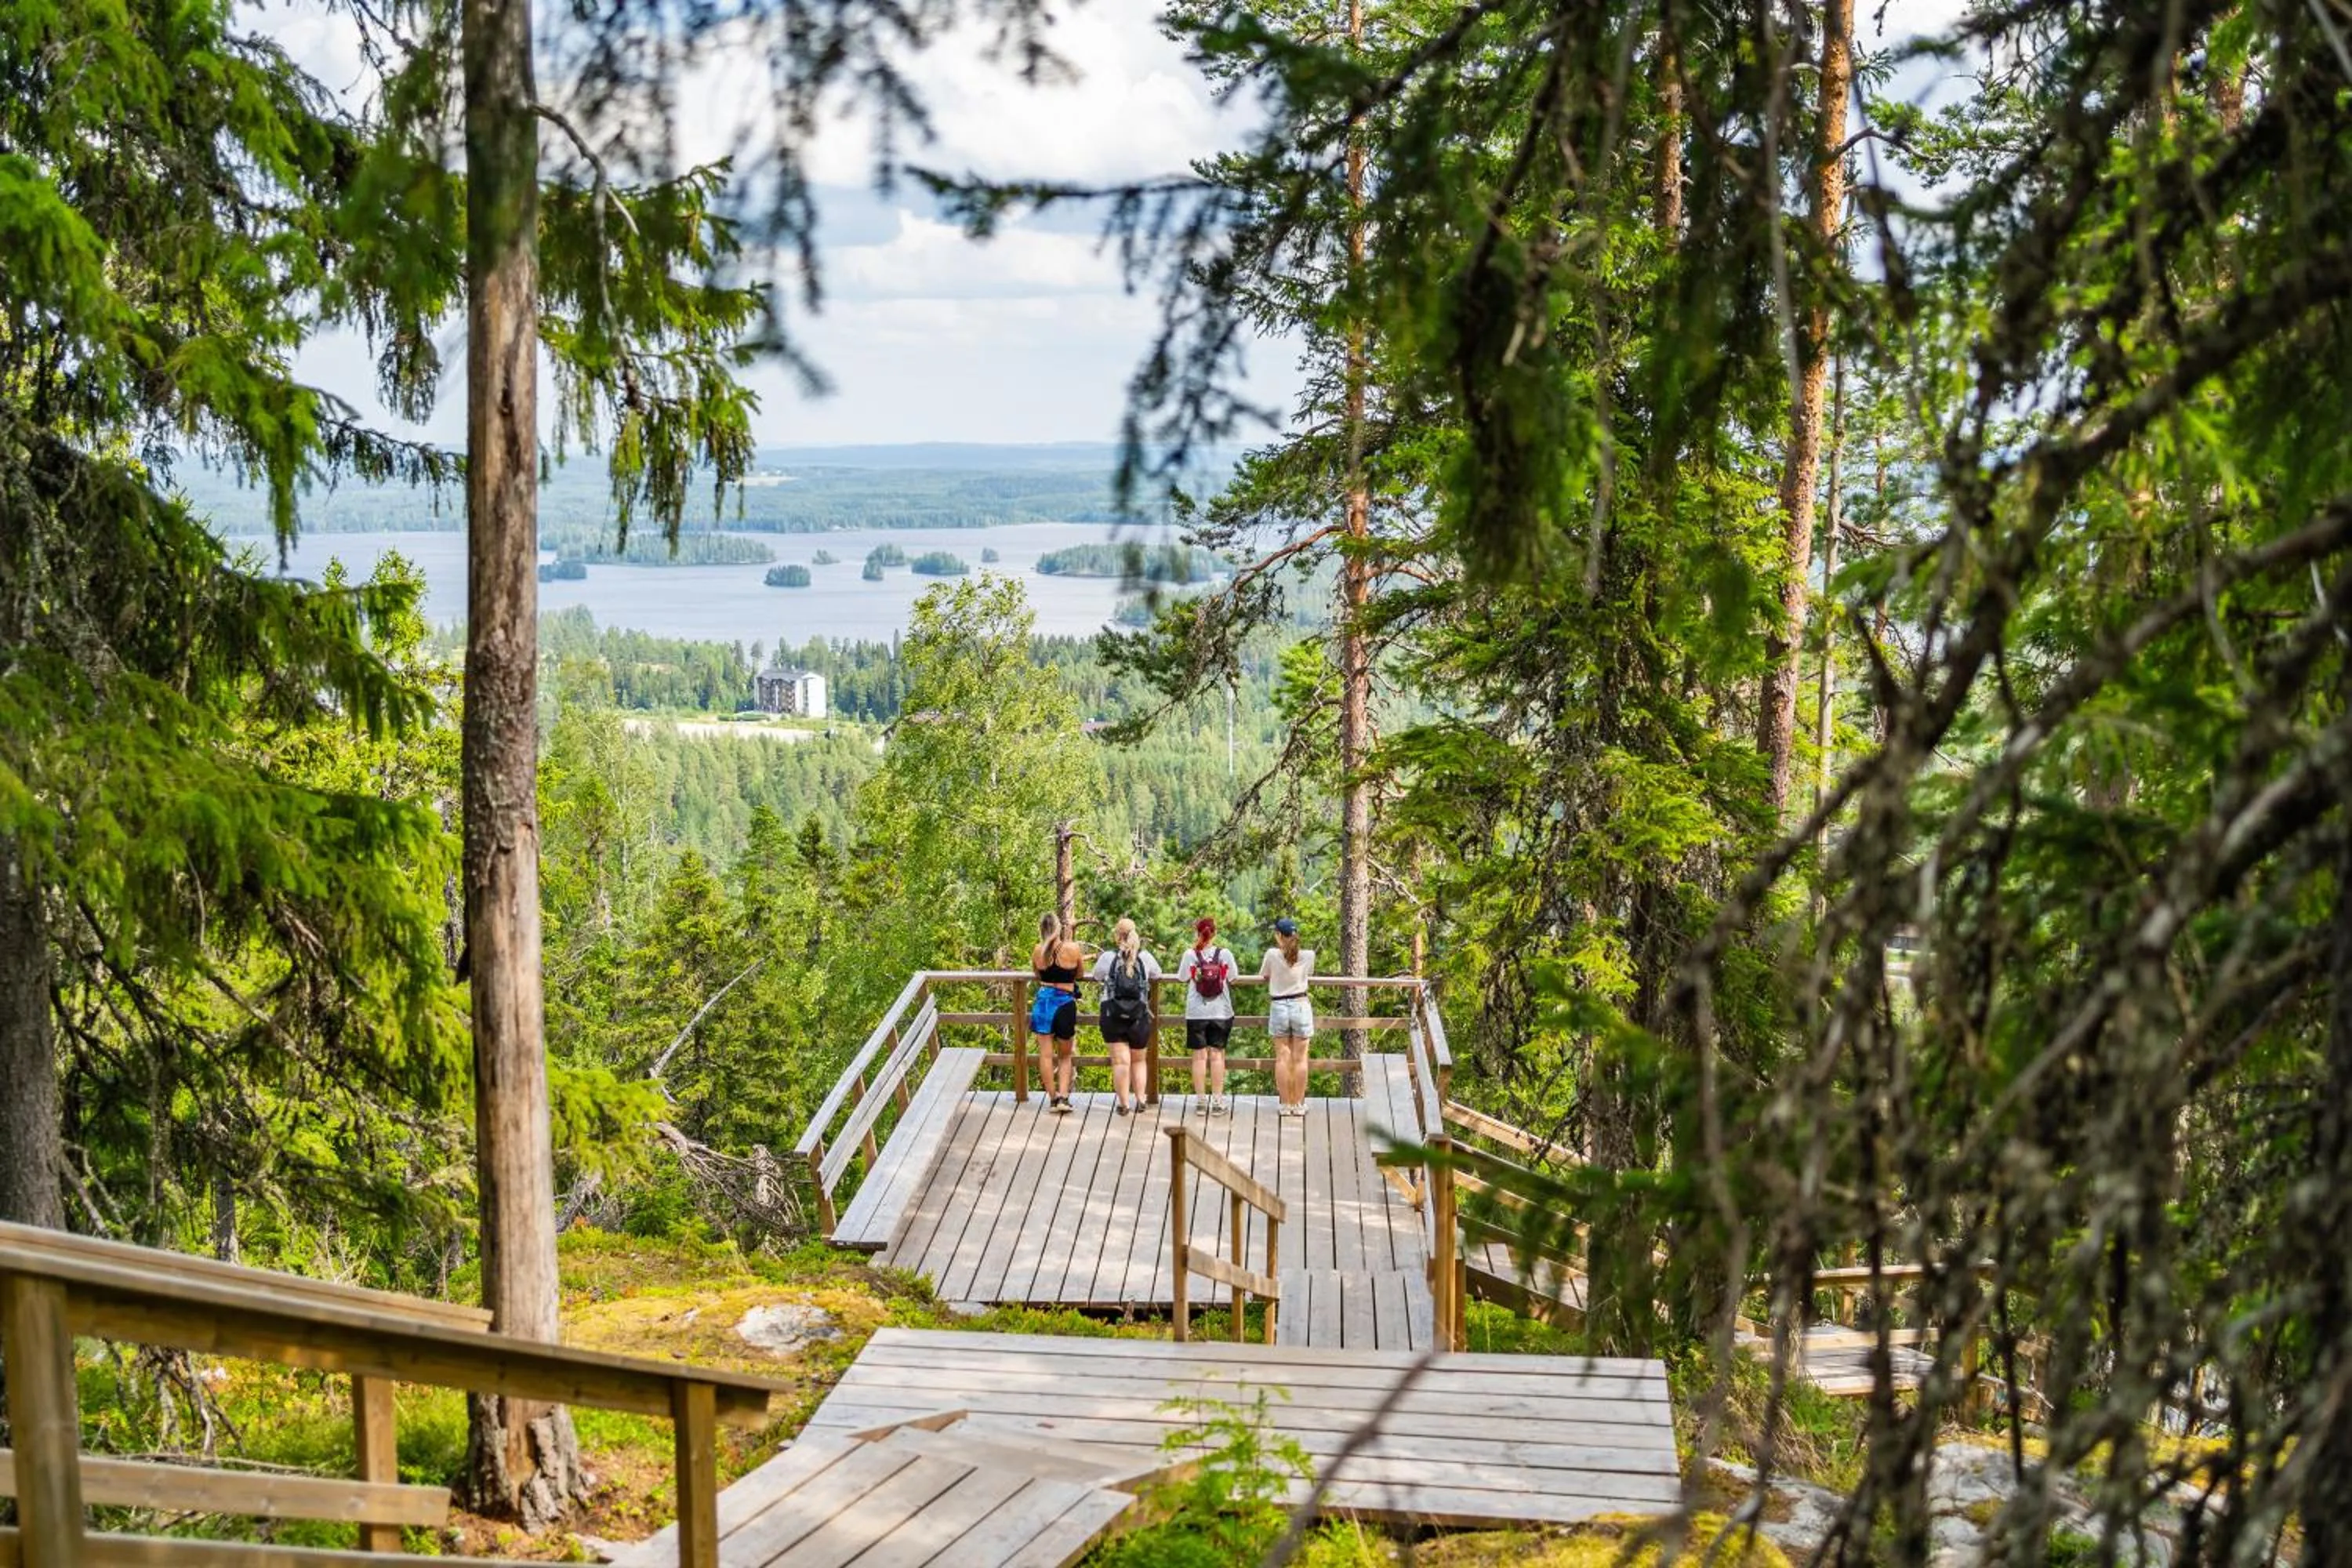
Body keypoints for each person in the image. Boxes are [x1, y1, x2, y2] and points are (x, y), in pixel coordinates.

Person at [1092, 918, 1162, 1116]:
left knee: (1120, 1062)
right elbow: (1158, 974)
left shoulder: (1108, 958)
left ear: (1117, 935)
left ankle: (1124, 1104)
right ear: (1135, 934)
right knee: (1139, 1060)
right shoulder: (1146, 958)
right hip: (1139, 1015)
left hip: (1112, 1014)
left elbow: (1097, 975)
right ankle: (1141, 1099)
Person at [1176, 916, 1236, 1117]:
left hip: (1196, 1012)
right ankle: (1218, 1102)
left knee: (1199, 1057)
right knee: (1217, 1056)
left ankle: (1201, 1102)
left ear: (1197, 933)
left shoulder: (1190, 954)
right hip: (1221, 1011)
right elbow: (1233, 977)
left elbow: (1183, 977)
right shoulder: (1224, 954)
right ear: (1215, 933)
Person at [1260, 916, 1316, 1117]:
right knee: (1301, 1060)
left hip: (1279, 1006)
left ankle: (1285, 1105)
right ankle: (1298, 1105)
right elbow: (1308, 973)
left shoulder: (1272, 954)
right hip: (1301, 1005)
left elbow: (1265, 975)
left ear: (1278, 935)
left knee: (1282, 1059)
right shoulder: (1308, 955)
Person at [1029, 912, 1083, 1114]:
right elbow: (1080, 974)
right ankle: (1064, 1097)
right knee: (1065, 1055)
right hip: (1065, 1003)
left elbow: (1037, 973)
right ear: (1059, 928)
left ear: (1041, 929)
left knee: (1045, 1055)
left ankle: (1052, 1099)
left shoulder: (1037, 951)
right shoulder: (1073, 948)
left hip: (1043, 1003)